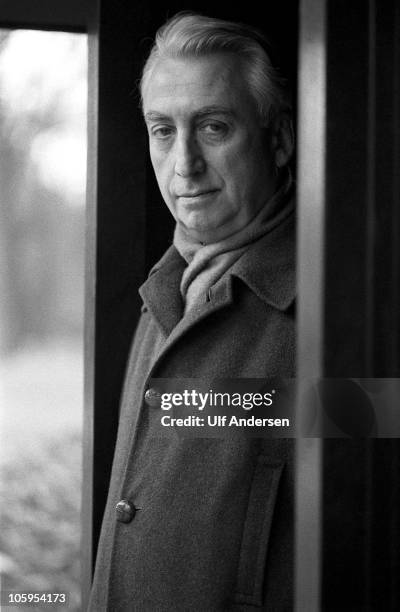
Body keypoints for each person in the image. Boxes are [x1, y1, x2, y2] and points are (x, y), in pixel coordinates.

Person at [89, 12, 295, 611]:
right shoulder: (162, 291)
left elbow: (373, 436)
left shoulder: (338, 309)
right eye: (162, 129)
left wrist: (217, 406)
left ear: (278, 138)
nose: (184, 164)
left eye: (212, 127)